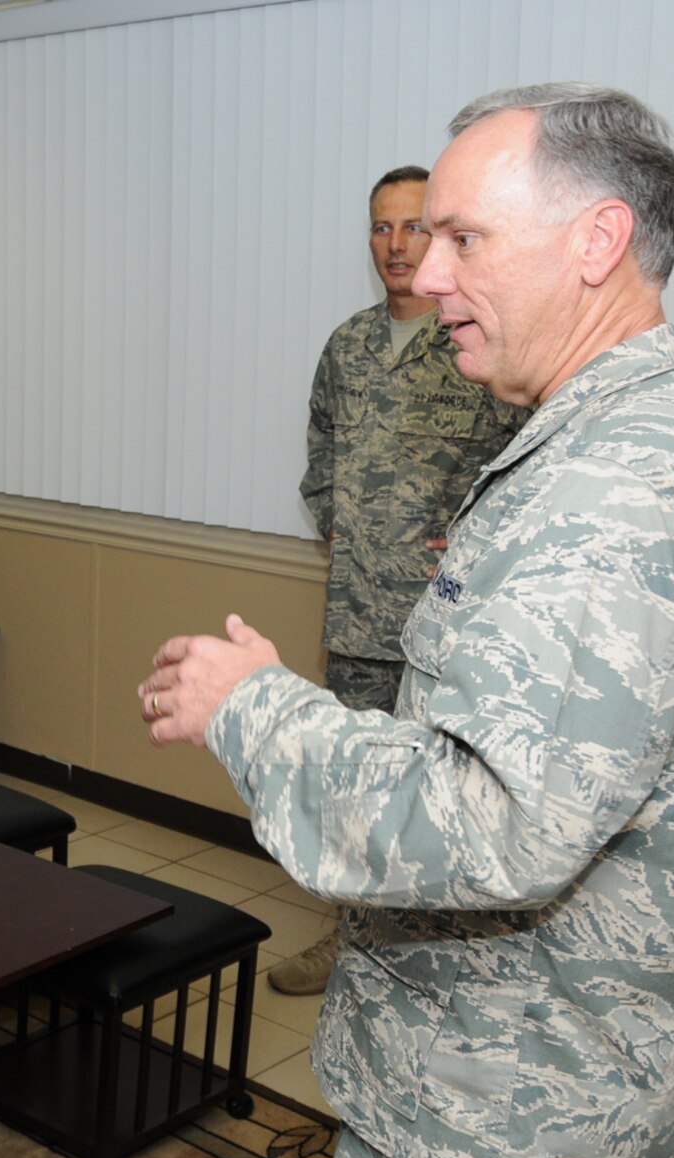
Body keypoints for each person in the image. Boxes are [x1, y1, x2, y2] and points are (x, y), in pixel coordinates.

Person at [138, 84, 674, 1158]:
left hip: (499, 1116)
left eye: (462, 238)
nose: (424, 274)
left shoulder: (612, 486)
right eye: (421, 236)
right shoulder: (633, 437)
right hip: (556, 1095)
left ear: (596, 242)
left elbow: (495, 819)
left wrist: (252, 709)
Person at [272, 167, 528, 997]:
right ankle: (344, 943)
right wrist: (337, 523)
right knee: (351, 788)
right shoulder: (348, 344)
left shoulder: (475, 340)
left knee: (435, 802)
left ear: (444, 236)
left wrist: (473, 543)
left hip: (444, 630)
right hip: (354, 616)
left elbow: (526, 463)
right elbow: (322, 448)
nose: (394, 244)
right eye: (381, 228)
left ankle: (422, 960)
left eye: (413, 227)